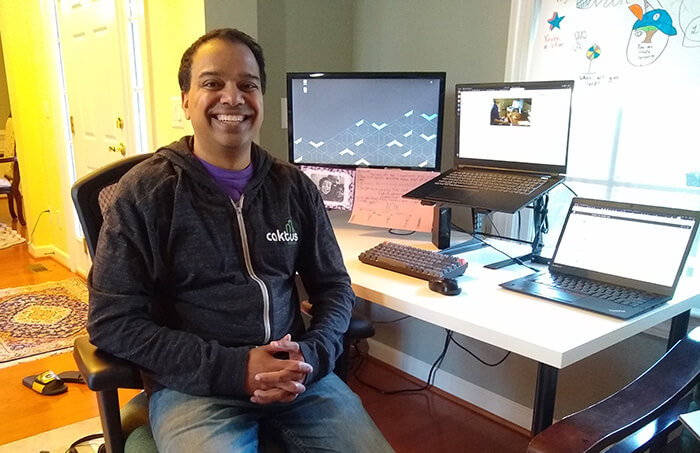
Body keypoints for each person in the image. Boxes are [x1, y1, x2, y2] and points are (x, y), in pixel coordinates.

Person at [87, 28, 393, 452]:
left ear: (261, 99)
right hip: (196, 388)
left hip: (299, 378)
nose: (232, 98)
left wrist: (313, 355)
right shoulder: (146, 193)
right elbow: (111, 321)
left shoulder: (294, 188)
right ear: (186, 100)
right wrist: (236, 368)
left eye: (247, 85)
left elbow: (334, 286)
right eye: (212, 83)